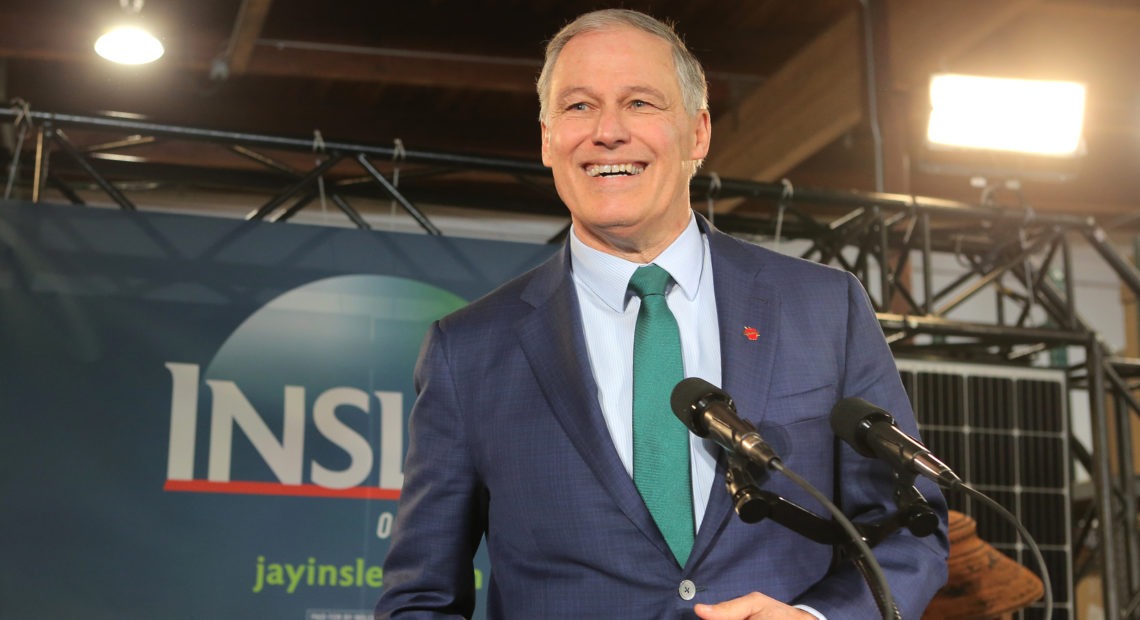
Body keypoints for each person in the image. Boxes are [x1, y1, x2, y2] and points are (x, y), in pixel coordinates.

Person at [376, 8, 948, 619]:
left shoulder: (824, 308)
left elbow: (908, 528)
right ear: (546, 139)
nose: (608, 132)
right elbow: (420, 598)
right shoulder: (469, 350)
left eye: (641, 103)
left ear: (698, 133)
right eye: (578, 107)